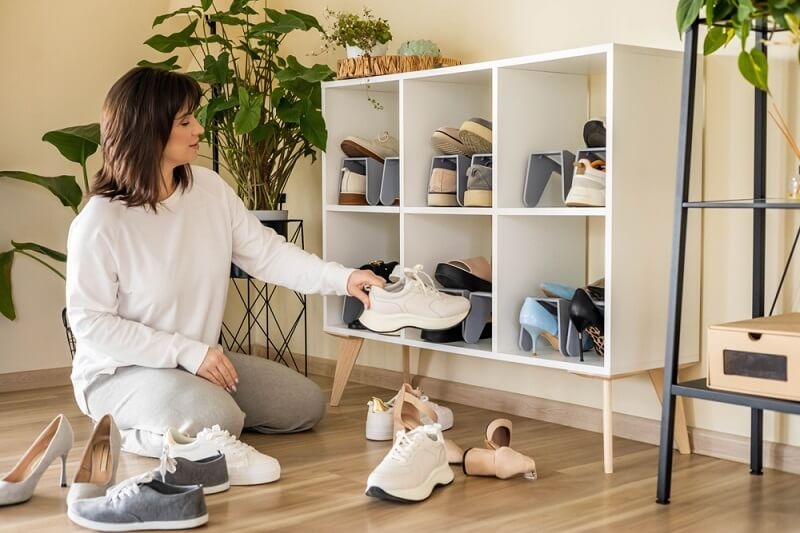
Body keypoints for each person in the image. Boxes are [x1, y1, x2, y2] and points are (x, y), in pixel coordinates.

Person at [65, 66, 385, 458]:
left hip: (196, 360)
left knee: (303, 405)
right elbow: (90, 322)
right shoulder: (100, 220)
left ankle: (195, 420)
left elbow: (268, 254)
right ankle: (142, 432)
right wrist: (186, 352)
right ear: (148, 129)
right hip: (121, 372)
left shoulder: (209, 190)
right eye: (185, 121)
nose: (199, 129)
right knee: (220, 418)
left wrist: (344, 278)